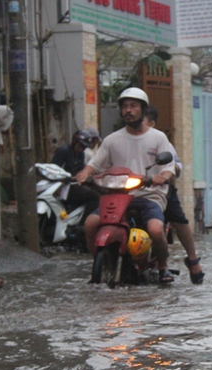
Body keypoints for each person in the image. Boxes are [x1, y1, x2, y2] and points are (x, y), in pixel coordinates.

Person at [76, 87, 177, 283]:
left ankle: (163, 267)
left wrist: (162, 177)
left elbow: (169, 167)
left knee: (156, 229)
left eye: (133, 106)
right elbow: (95, 164)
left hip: (149, 195)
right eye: (124, 107)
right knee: (90, 223)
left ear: (143, 109)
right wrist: (85, 174)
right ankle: (99, 263)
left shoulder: (158, 137)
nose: (128, 110)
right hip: (118, 195)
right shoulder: (112, 140)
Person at [143, 106, 205, 284]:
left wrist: (165, 174)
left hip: (159, 190)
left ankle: (193, 260)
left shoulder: (161, 142)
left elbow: (177, 164)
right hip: (132, 191)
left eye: (144, 122)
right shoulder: (124, 139)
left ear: (152, 124)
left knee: (179, 220)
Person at [50, 129, 100, 217]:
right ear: (74, 142)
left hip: (73, 184)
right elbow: (53, 169)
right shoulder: (63, 151)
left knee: (98, 191)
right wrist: (67, 177)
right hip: (62, 186)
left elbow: (80, 170)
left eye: (84, 148)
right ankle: (84, 222)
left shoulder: (81, 155)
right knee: (94, 197)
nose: (81, 149)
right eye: (80, 146)